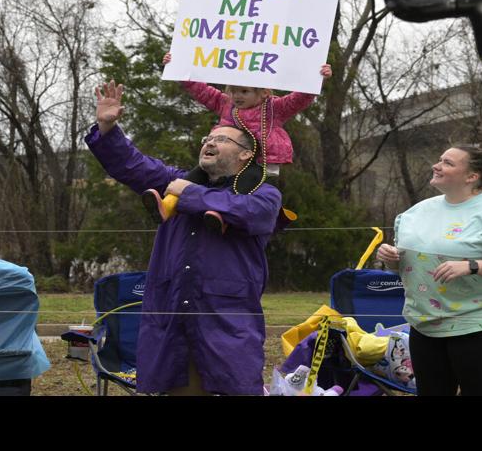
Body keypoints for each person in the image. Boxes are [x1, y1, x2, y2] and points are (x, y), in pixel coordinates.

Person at [85, 80, 287, 395]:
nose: (210, 142)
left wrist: (189, 194)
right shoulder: (174, 182)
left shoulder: (264, 193)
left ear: (246, 154)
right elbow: (132, 165)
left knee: (234, 386)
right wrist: (108, 129)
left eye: (222, 138)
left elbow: (248, 212)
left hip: (226, 323)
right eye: (208, 138)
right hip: (173, 318)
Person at [375, 145, 482, 396]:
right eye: (439, 159)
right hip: (424, 323)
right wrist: (391, 259)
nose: (436, 165)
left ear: (471, 176)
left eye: (448, 163)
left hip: (480, 324)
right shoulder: (414, 213)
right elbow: (410, 268)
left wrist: (472, 266)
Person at [147, 52, 331, 223]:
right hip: (229, 158)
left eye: (244, 91)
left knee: (244, 187)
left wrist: (316, 79)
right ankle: (167, 206)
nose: (237, 96)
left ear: (263, 92)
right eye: (233, 91)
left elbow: (298, 100)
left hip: (260, 162)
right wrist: (178, 68)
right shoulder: (225, 104)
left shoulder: (274, 108)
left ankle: (223, 219)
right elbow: (201, 90)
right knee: (193, 176)